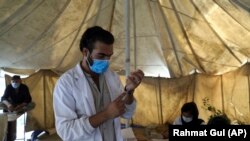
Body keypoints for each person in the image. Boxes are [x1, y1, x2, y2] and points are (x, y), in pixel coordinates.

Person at [53, 26, 144, 141]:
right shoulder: (66, 83)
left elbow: (126, 113)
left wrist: (129, 91)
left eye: (109, 56)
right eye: (101, 55)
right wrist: (106, 114)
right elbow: (66, 131)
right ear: (85, 52)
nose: (106, 61)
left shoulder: (112, 76)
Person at [0, 75, 35, 141]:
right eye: (13, 81)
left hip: (21, 105)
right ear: (11, 82)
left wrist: (20, 106)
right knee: (1, 103)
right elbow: (4, 98)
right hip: (11, 104)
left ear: (20, 81)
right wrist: (9, 105)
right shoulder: (9, 87)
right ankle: (11, 110)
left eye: (16, 81)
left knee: (32, 104)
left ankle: (19, 111)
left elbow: (28, 99)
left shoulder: (24, 87)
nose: (15, 83)